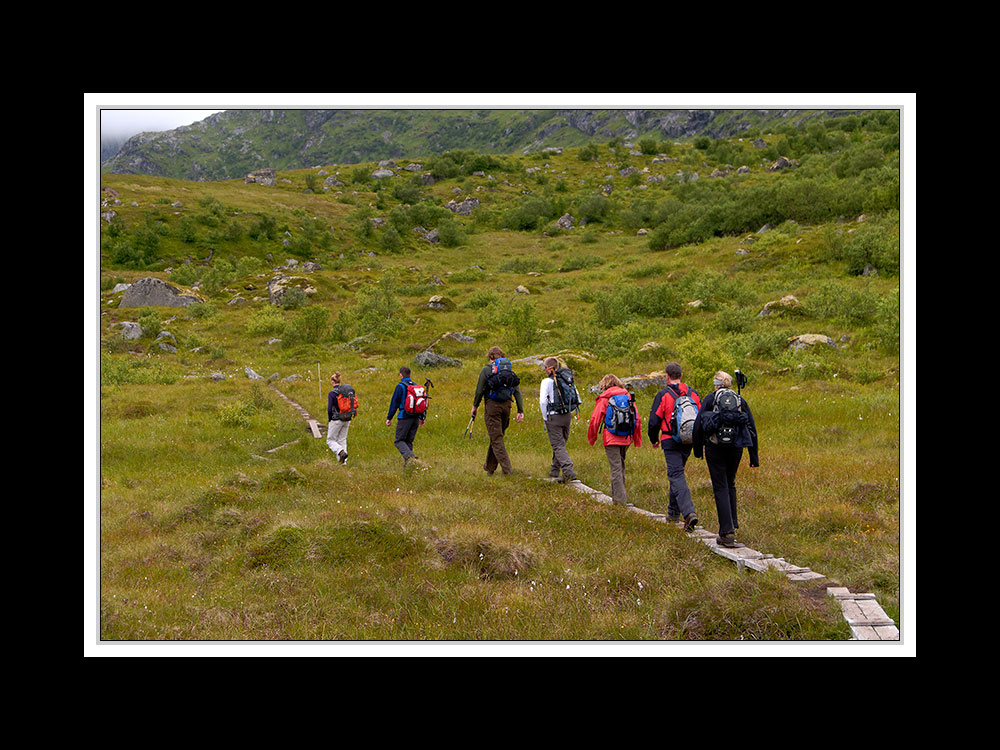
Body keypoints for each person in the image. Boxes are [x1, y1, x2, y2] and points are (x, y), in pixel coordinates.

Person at [692, 370, 759, 548]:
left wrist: (698, 450)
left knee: (720, 486)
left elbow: (698, 426)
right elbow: (751, 427)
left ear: (716, 384)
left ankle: (726, 532)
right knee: (730, 484)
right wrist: (754, 456)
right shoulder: (739, 400)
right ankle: (732, 524)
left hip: (715, 448)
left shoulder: (710, 399)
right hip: (736, 448)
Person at [647, 362, 701, 531]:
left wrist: (653, 439)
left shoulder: (663, 394)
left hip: (670, 440)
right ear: (681, 375)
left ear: (667, 376)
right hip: (689, 440)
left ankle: (689, 513)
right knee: (676, 475)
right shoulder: (693, 394)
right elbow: (700, 418)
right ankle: (673, 513)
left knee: (676, 475)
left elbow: (654, 421)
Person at [587, 374, 643, 506]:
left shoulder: (605, 398)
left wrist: (592, 438)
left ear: (604, 385)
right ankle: (618, 496)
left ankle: (620, 501)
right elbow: (637, 419)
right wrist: (637, 439)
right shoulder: (628, 396)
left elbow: (595, 420)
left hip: (611, 438)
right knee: (620, 465)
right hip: (626, 437)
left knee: (616, 468)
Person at [471, 346, 524, 476]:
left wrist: (475, 406)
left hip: (492, 407)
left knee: (496, 438)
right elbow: (516, 391)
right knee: (496, 437)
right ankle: (490, 467)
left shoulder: (486, 370)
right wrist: (520, 410)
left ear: (490, 357)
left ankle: (508, 471)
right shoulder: (509, 370)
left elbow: (479, 390)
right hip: (507, 406)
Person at [539, 357, 579, 483]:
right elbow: (576, 397)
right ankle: (554, 470)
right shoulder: (567, 379)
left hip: (553, 416)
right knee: (561, 444)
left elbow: (543, 401)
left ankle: (568, 471)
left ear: (548, 368)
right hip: (567, 415)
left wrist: (545, 417)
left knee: (557, 445)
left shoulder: (546, 382)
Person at [386, 366, 428, 470]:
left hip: (404, 417)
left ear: (401, 375)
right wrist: (422, 418)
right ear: (410, 374)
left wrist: (389, 417)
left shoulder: (400, 386)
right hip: (416, 418)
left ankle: (411, 459)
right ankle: (409, 468)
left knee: (399, 440)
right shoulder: (416, 386)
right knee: (408, 441)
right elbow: (423, 402)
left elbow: (394, 403)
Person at [326, 371, 357, 465]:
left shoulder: (332, 393)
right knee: (342, 439)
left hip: (336, 419)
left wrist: (330, 418)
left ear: (332, 382)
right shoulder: (345, 392)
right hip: (347, 418)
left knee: (330, 440)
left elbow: (329, 409)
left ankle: (340, 452)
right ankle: (344, 463)